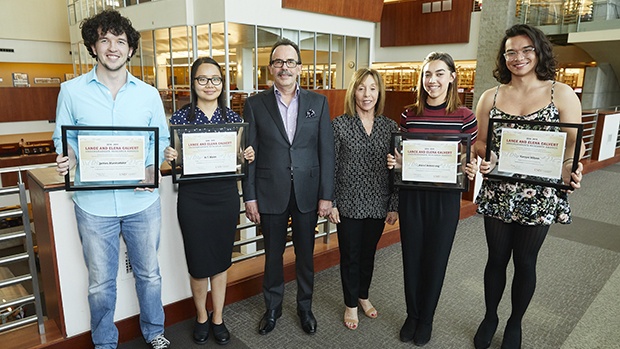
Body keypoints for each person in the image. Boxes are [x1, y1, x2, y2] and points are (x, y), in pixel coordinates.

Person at [52, 10, 170, 349]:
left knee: (149, 275)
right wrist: (68, 157)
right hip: (93, 204)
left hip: (141, 202)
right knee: (100, 283)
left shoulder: (148, 94)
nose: (112, 48)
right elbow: (65, 139)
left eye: (120, 41)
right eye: (105, 40)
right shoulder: (71, 92)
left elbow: (159, 140)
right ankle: (104, 342)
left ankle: (155, 331)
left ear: (130, 49)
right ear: (93, 46)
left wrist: (150, 168)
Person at [473, 24, 585, 349]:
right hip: (500, 189)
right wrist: (486, 155)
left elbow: (571, 147)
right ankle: (490, 315)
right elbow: (480, 142)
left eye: (526, 50)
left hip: (540, 193)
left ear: (539, 52)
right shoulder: (490, 96)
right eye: (511, 51)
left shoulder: (560, 93)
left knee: (524, 261)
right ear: (503, 56)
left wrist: (569, 168)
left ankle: (514, 323)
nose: (518, 57)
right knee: (496, 258)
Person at [242, 38, 335, 335]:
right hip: (270, 192)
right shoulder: (255, 104)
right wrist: (250, 197)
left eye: (290, 62)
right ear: (271, 69)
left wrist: (326, 196)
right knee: (272, 256)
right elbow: (249, 155)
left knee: (306, 256)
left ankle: (304, 307)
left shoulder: (318, 103)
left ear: (300, 67)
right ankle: (273, 308)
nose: (285, 67)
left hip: (308, 193)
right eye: (279, 62)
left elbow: (326, 152)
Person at [387, 52, 478, 346]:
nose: (432, 80)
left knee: (436, 259)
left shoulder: (465, 118)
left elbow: (468, 158)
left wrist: (471, 167)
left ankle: (426, 318)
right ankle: (412, 314)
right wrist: (397, 164)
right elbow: (404, 157)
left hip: (445, 199)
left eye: (439, 74)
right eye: (427, 74)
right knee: (411, 258)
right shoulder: (409, 114)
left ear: (452, 77)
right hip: (412, 196)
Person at [163, 57, 255, 345]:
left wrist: (247, 156)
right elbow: (176, 166)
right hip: (193, 199)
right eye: (202, 79)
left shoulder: (233, 120)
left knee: (221, 261)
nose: (209, 85)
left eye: (215, 79)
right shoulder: (179, 120)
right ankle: (201, 315)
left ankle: (218, 317)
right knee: (198, 262)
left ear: (222, 83)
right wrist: (171, 157)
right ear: (193, 84)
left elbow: (239, 161)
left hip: (225, 198)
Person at [328, 68, 398, 331]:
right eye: (361, 88)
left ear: (379, 92)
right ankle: (350, 304)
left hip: (378, 203)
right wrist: (331, 201)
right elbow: (331, 166)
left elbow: (397, 170)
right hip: (347, 203)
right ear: (353, 92)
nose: (366, 94)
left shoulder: (390, 126)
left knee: (368, 255)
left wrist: (394, 205)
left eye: (372, 88)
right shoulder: (340, 125)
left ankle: (363, 295)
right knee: (350, 255)